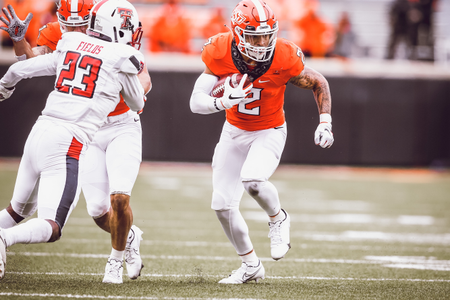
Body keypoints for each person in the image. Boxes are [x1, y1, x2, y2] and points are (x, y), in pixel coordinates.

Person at [0, 0, 149, 284]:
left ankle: (115, 262)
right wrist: (19, 42)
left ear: (94, 18)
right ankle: (129, 237)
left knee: (119, 197)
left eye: (83, 22)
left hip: (116, 126)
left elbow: (142, 86)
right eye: (72, 23)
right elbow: (29, 61)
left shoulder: (89, 42)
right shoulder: (68, 37)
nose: (78, 29)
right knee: (92, 211)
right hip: (82, 132)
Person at [190, 0, 333, 284]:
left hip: (269, 129)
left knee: (253, 180)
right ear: (237, 32)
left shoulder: (284, 55)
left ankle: (277, 217)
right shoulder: (219, 50)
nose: (262, 41)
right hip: (233, 131)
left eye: (267, 34)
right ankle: (250, 266)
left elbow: (319, 82)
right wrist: (222, 101)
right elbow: (196, 102)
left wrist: (326, 122)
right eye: (254, 35)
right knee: (221, 205)